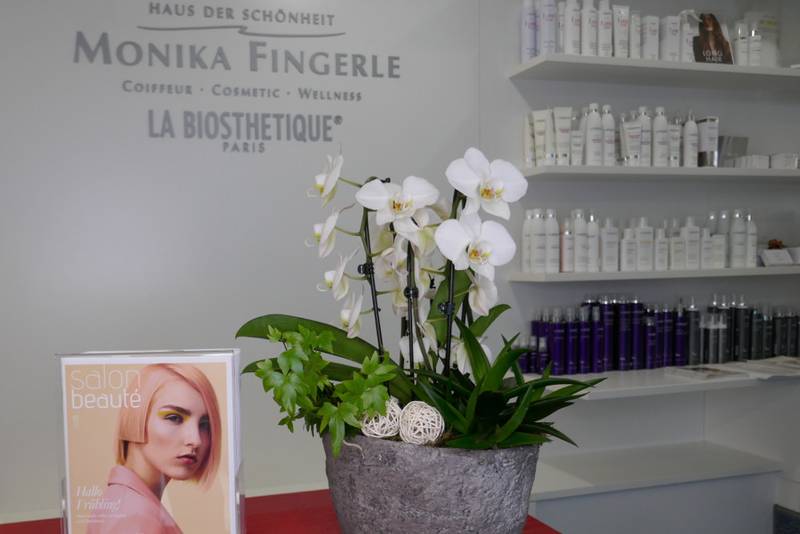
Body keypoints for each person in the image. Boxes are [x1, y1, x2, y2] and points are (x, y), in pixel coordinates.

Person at [87, 364, 222, 534]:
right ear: (137, 418)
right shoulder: (136, 517)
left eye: (204, 424)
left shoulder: (124, 502)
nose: (196, 440)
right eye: (174, 418)